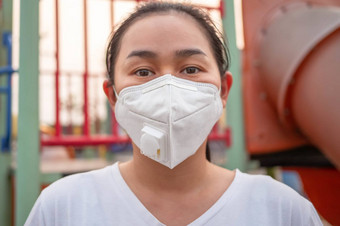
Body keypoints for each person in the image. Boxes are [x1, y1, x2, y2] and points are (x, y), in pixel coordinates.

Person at [25, 2, 322, 225]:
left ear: (223, 89)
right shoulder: (62, 207)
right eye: (143, 71)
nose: (168, 85)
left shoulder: (283, 210)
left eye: (191, 69)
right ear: (113, 96)